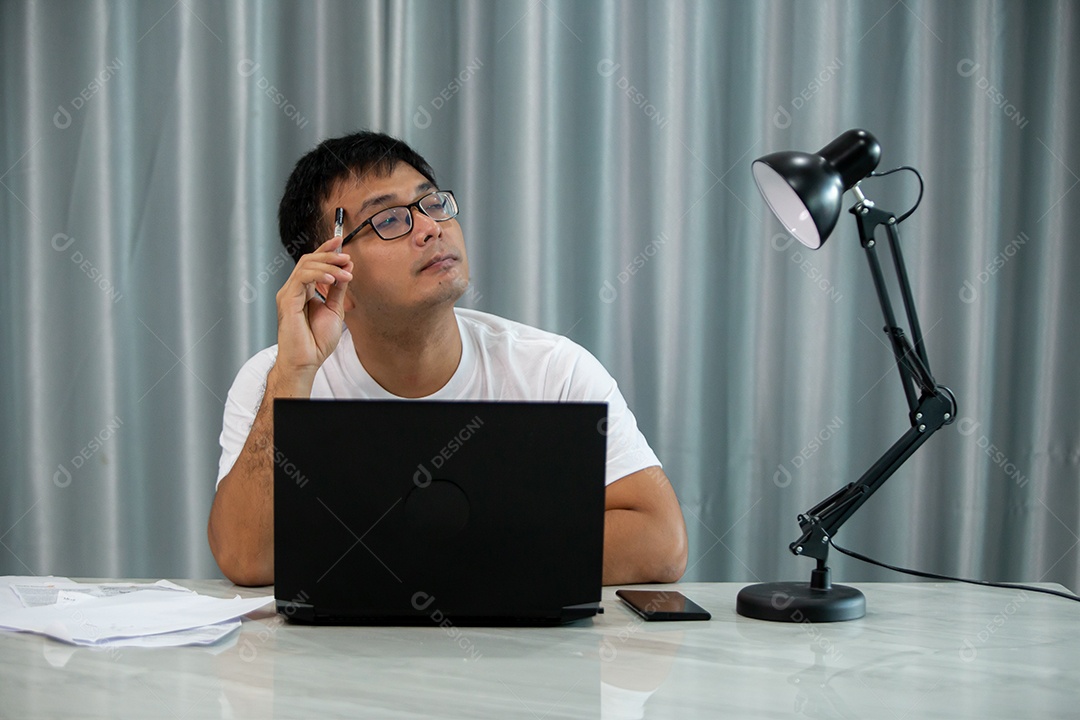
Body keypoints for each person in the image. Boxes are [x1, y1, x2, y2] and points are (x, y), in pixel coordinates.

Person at [208, 130, 688, 587]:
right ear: (330, 272)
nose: (430, 228)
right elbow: (246, 557)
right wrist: (295, 373)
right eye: (389, 219)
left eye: (431, 203)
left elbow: (660, 543)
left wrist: (420, 556)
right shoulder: (276, 378)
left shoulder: (553, 370)